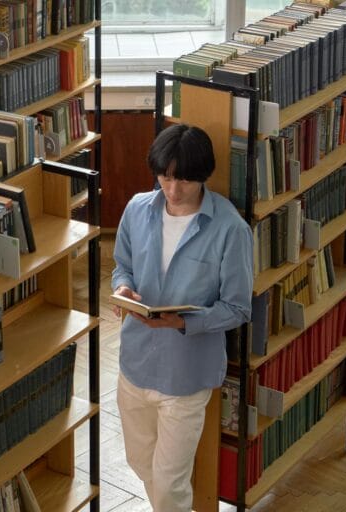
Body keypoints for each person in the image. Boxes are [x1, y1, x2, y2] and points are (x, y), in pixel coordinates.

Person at [111, 123, 254, 511]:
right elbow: (122, 265)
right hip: (135, 363)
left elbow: (239, 308)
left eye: (185, 181)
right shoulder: (137, 210)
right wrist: (123, 288)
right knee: (140, 463)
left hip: (186, 376)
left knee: (171, 484)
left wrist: (184, 322)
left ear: (203, 176)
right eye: (165, 178)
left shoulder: (230, 229)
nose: (173, 191)